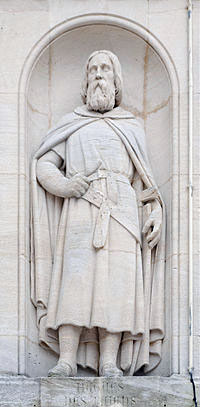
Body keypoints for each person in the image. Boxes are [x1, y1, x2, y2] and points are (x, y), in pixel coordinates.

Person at [31, 50, 165, 377]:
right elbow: (44, 165)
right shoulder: (72, 124)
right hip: (80, 208)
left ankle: (109, 361)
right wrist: (65, 186)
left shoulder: (131, 127)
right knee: (74, 281)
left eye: (105, 69)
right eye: (93, 69)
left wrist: (156, 211)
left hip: (122, 211)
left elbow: (144, 183)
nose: (98, 74)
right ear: (86, 79)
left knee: (117, 286)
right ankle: (65, 360)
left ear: (116, 80)